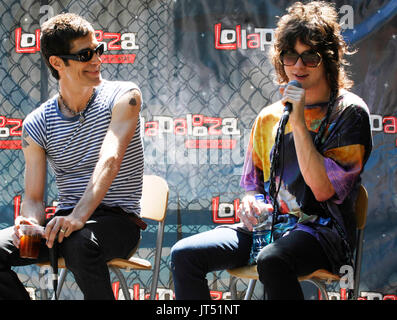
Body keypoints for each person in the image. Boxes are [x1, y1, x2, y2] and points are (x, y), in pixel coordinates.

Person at [170, 1, 372, 300]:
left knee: (273, 259)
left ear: (328, 60)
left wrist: (299, 120)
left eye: (310, 57)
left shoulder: (349, 112)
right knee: (185, 254)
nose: (298, 66)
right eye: (290, 56)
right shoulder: (269, 117)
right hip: (269, 229)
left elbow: (322, 190)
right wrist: (251, 203)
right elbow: (254, 185)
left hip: (324, 235)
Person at [0, 13, 145, 300]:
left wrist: (79, 217)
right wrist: (29, 222)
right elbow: (32, 198)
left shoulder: (124, 96)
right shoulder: (36, 122)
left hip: (118, 223)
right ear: (57, 63)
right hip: (64, 224)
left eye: (98, 50)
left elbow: (110, 160)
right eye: (85, 54)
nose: (97, 60)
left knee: (80, 243)